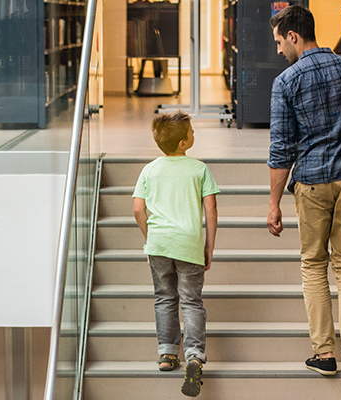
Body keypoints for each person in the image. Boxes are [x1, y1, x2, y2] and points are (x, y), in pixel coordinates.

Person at [266, 5, 341, 388]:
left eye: (280, 42)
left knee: (314, 264)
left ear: (293, 36)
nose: (279, 50)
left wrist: (273, 204)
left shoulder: (287, 82)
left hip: (313, 184)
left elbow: (281, 152)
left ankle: (325, 354)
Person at [132, 110, 219, 397]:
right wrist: (209, 245)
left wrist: (150, 238)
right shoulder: (199, 169)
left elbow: (137, 209)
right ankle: (194, 355)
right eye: (191, 131)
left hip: (158, 245)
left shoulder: (150, 170)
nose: (194, 134)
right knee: (192, 302)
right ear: (183, 143)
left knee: (164, 298)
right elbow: (211, 210)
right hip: (189, 245)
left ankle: (167, 354)